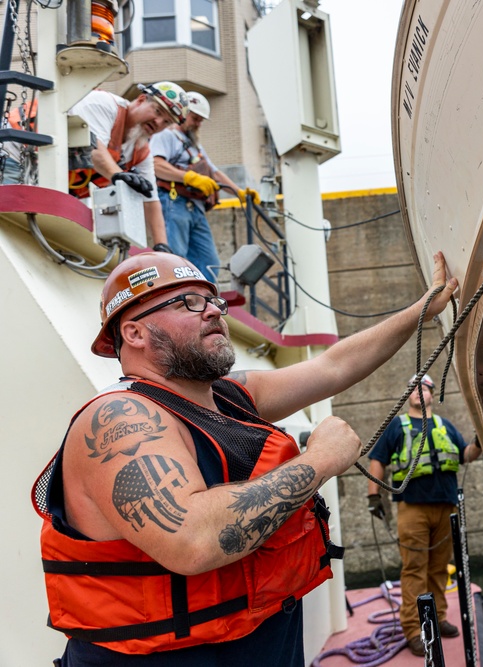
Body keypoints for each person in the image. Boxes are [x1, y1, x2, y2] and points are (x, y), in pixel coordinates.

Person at [32, 250, 459, 665]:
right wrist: (321, 460)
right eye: (189, 302)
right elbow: (192, 541)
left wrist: (422, 310)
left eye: (212, 300)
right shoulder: (118, 419)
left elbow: (334, 367)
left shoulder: (228, 396)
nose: (215, 311)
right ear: (135, 333)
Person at [366, 374, 481, 656]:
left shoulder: (444, 425)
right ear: (409, 397)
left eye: (424, 388)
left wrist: (479, 442)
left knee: (439, 567)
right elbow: (377, 460)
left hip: (445, 506)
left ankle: (438, 618)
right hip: (413, 508)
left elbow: (465, 454)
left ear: (432, 394)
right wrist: (373, 496)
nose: (418, 392)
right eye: (413, 390)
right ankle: (414, 629)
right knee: (415, 568)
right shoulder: (397, 426)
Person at [67, 81, 190, 252]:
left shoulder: (140, 149)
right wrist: (118, 174)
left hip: (56, 185)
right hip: (20, 158)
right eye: (157, 111)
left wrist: (162, 246)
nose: (158, 122)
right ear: (141, 99)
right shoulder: (105, 105)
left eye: (166, 122)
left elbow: (151, 200)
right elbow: (93, 150)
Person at [151, 91, 259, 282]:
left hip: (195, 208)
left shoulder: (194, 146)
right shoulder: (166, 136)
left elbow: (214, 173)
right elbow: (156, 165)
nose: (198, 123)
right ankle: (176, 299)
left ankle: (199, 299)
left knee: (208, 262)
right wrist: (188, 177)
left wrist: (238, 192)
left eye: (201, 120)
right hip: (174, 202)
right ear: (183, 114)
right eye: (195, 118)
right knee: (174, 260)